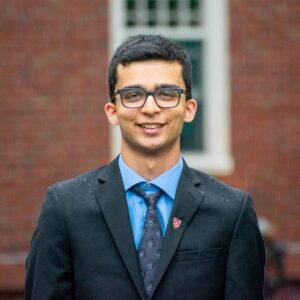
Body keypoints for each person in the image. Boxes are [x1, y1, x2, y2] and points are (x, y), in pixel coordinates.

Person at [25, 34, 265, 300]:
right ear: (112, 111)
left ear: (189, 108)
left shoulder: (232, 212)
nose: (150, 108)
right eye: (133, 95)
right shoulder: (65, 208)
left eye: (166, 93)